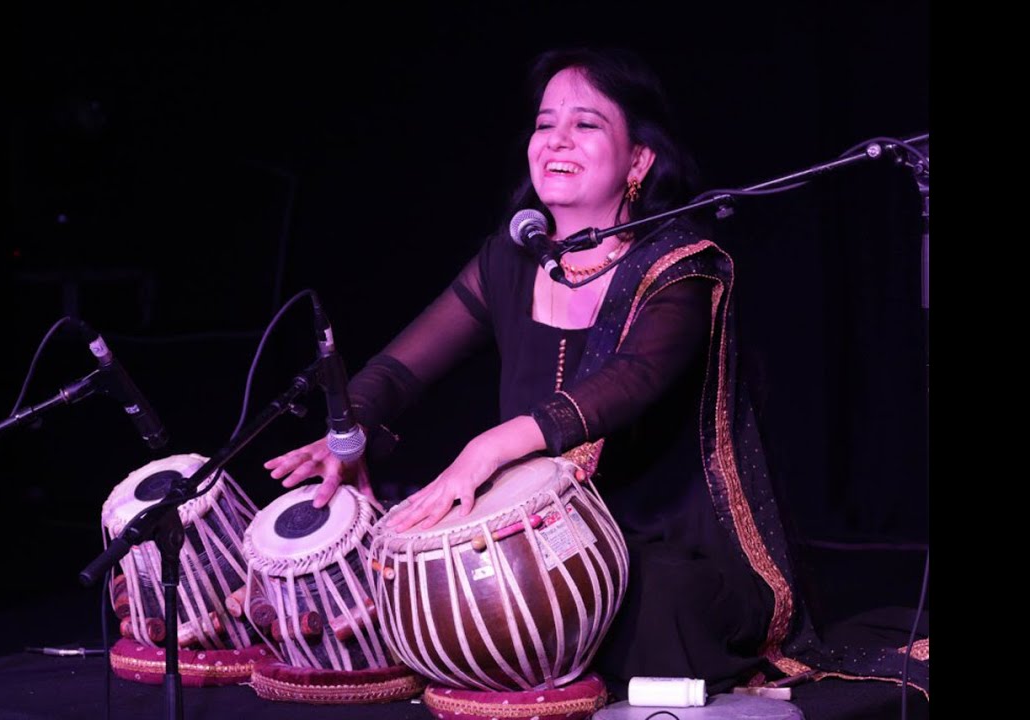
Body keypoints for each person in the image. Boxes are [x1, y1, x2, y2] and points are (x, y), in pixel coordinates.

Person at [265, 46, 928, 700]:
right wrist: (346, 433)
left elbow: (633, 380)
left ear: (639, 158)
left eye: (586, 124)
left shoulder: (680, 267)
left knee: (647, 602)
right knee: (447, 577)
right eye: (546, 122)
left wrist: (491, 446)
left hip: (666, 548)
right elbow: (402, 370)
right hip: (541, 544)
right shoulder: (510, 260)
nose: (558, 138)